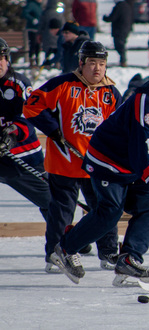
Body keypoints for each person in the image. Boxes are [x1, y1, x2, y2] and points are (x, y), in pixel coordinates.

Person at [48, 57, 149, 285]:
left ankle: (128, 260)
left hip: (132, 165)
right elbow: (142, 152)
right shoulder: (145, 101)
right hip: (107, 162)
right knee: (110, 212)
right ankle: (64, 249)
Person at [23, 41, 122, 273]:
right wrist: (53, 130)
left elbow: (122, 126)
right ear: (81, 63)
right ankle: (55, 254)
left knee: (105, 209)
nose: (97, 69)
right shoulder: (62, 83)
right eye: (92, 63)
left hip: (97, 164)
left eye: (102, 64)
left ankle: (108, 252)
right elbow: (31, 106)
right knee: (61, 211)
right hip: (64, 162)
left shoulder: (111, 92)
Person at [0, 38, 54, 271]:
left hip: (22, 156)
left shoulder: (18, 84)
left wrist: (10, 135)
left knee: (51, 201)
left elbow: (28, 116)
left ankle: (63, 245)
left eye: (0, 58)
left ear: (7, 59)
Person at [103, 0, 135, 67]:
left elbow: (112, 17)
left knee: (119, 45)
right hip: (126, 28)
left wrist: (105, 18)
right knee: (122, 44)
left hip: (119, 29)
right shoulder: (127, 5)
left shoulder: (119, 6)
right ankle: (122, 61)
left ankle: (123, 61)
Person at [38, 0, 64, 68]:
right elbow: (63, 22)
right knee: (58, 50)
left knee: (48, 52)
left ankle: (47, 64)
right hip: (56, 36)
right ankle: (57, 64)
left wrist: (39, 33)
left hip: (47, 36)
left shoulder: (45, 12)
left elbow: (41, 24)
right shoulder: (59, 12)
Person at [21, 0, 42, 67]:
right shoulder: (31, 4)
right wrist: (32, 19)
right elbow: (25, 13)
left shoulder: (39, 5)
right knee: (33, 44)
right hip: (32, 28)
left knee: (37, 45)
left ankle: (37, 59)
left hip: (38, 28)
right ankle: (32, 60)